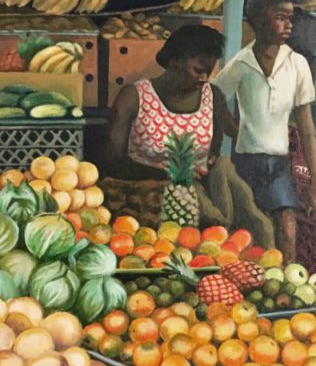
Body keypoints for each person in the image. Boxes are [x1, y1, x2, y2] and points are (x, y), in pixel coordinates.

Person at [104, 25, 275, 246]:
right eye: (198, 70)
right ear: (175, 61)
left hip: (201, 185)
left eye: (209, 72)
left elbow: (223, 140)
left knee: (242, 196)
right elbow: (112, 158)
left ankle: (260, 243)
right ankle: (223, 232)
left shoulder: (212, 96)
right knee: (211, 218)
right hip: (151, 193)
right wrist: (163, 176)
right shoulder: (134, 97)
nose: (204, 78)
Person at [212, 0, 316, 263]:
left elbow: (307, 129)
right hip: (245, 163)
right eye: (280, 18)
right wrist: (233, 128)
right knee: (248, 235)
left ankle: (285, 287)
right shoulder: (241, 64)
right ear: (258, 22)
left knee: (288, 230)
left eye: (290, 18)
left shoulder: (297, 64)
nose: (289, 24)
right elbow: (214, 95)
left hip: (278, 165)